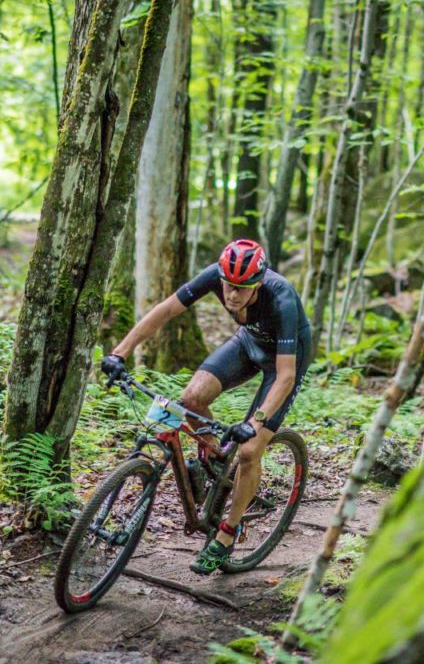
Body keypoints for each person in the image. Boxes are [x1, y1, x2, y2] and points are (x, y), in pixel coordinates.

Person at [101, 239, 312, 574]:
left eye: (242, 289)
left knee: (248, 450)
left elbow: (285, 377)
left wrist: (255, 423)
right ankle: (213, 462)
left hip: (284, 361)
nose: (232, 294)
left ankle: (228, 534)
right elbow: (166, 309)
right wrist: (119, 352)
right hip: (248, 342)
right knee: (191, 399)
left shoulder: (281, 297)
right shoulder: (216, 275)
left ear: (258, 282)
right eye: (228, 285)